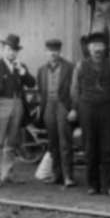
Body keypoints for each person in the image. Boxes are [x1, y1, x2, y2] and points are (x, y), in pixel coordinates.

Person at [70, 31, 110, 196]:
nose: (97, 49)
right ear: (89, 48)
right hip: (87, 109)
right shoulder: (80, 66)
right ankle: (93, 185)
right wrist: (79, 107)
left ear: (105, 48)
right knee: (90, 148)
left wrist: (107, 100)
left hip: (106, 109)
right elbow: (74, 89)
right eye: (94, 46)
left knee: (108, 148)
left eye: (100, 46)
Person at [0, 33, 35, 186]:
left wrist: (23, 72)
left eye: (14, 49)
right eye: (8, 49)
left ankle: (7, 174)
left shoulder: (20, 66)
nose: (11, 52)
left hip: (18, 104)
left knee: (12, 142)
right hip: (1, 104)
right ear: (2, 49)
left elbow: (32, 83)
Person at [36, 38, 76, 188]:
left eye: (55, 50)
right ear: (46, 52)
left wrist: (73, 108)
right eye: (50, 51)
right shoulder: (41, 70)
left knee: (65, 141)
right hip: (48, 107)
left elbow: (75, 90)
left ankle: (68, 176)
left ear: (60, 51)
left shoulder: (70, 68)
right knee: (53, 142)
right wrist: (43, 107)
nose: (53, 53)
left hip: (63, 105)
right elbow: (41, 90)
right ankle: (56, 174)